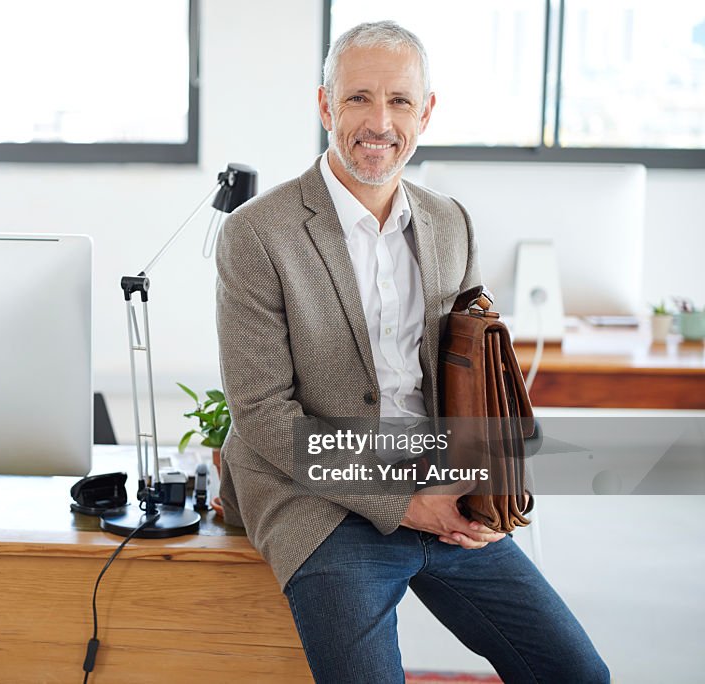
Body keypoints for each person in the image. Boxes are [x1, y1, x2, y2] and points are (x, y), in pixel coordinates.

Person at [215, 20, 609, 684]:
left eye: (399, 100)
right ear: (324, 107)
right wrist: (400, 504)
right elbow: (262, 417)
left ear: (425, 112)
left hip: (439, 487)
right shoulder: (258, 233)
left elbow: (473, 374)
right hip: (322, 501)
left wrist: (479, 486)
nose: (380, 121)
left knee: (577, 674)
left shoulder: (450, 221)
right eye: (358, 98)